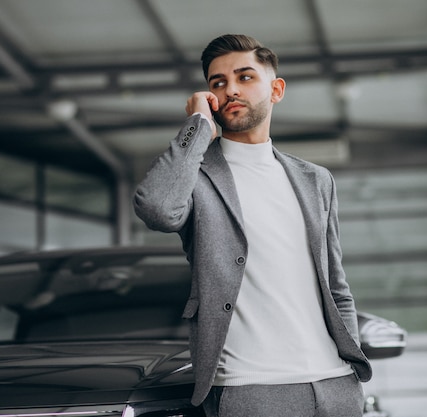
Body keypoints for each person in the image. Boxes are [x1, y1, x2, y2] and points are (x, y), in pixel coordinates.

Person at [133, 34, 372, 417]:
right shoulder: (196, 176)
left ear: (276, 89)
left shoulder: (315, 179)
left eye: (245, 77)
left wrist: (351, 374)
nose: (230, 90)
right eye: (218, 83)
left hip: (335, 387)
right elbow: (158, 209)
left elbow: (337, 286)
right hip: (250, 390)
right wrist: (196, 126)